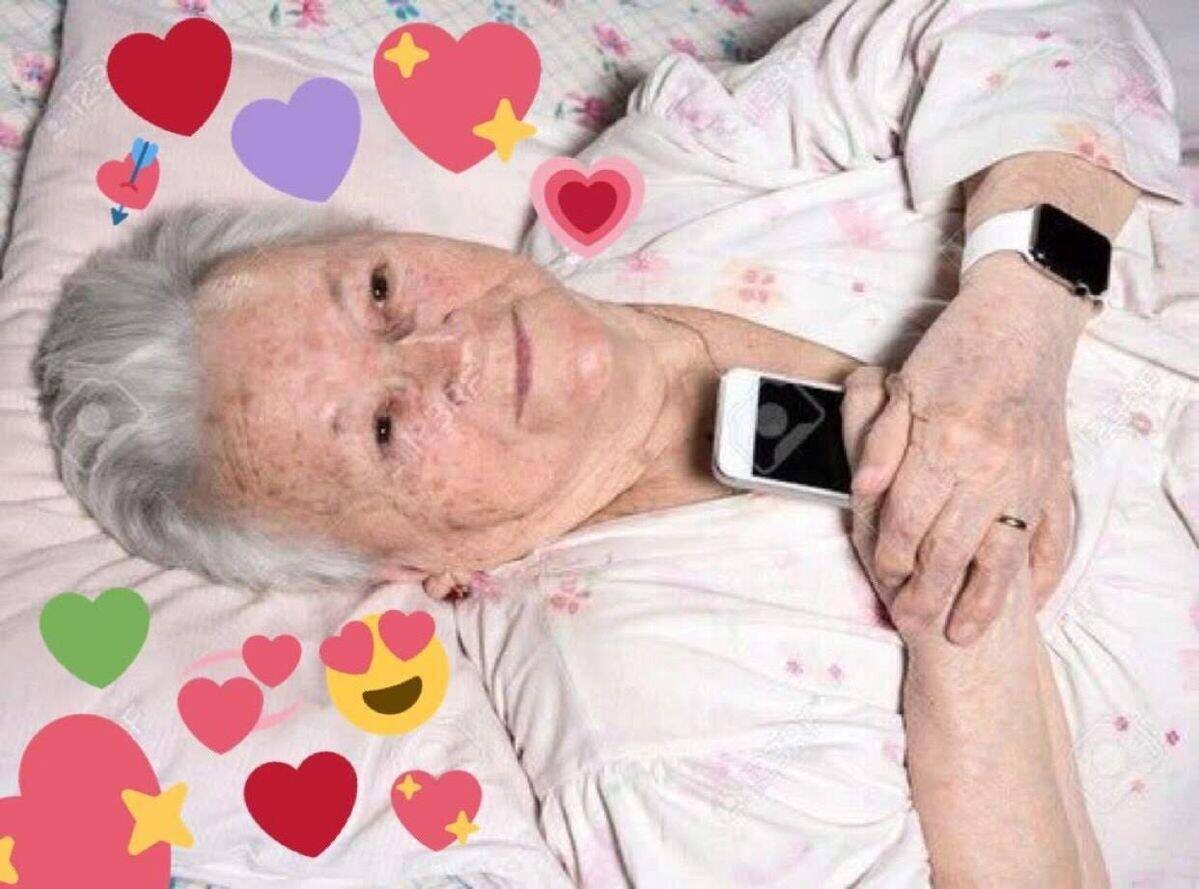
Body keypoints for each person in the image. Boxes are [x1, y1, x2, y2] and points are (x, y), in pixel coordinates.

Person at [34, 0, 1195, 884]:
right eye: (384, 427)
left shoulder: (670, 178)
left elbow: (1045, 21)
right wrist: (962, 610)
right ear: (405, 564)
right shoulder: (648, 734)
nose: (446, 348)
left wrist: (1014, 330)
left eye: (379, 289)